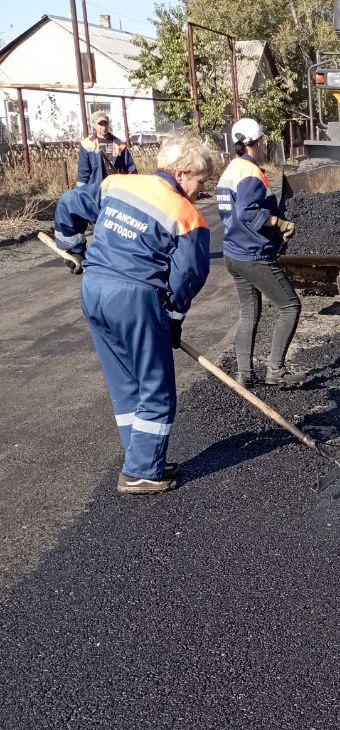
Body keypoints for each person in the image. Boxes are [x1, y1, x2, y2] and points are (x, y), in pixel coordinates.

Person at [53, 133, 214, 494]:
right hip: (134, 299)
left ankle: (141, 457)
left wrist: (72, 246)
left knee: (125, 383)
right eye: (201, 181)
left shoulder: (117, 185)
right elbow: (188, 276)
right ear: (183, 172)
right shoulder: (186, 216)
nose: (201, 190)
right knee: (156, 386)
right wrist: (173, 320)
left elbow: (69, 203)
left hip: (94, 290)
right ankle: (141, 471)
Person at [216, 118, 302, 388]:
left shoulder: (231, 169)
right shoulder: (250, 174)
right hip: (253, 254)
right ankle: (275, 370)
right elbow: (248, 212)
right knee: (290, 307)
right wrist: (279, 222)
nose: (263, 145)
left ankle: (244, 374)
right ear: (254, 143)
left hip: (233, 252)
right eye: (261, 141)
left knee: (248, 313)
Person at [77, 109, 136, 189]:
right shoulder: (86, 144)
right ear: (94, 125)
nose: (103, 127)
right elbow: (83, 172)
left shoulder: (119, 144)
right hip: (95, 190)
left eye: (105, 123)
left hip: (116, 188)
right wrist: (81, 192)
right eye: (100, 124)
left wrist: (133, 187)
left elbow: (130, 168)